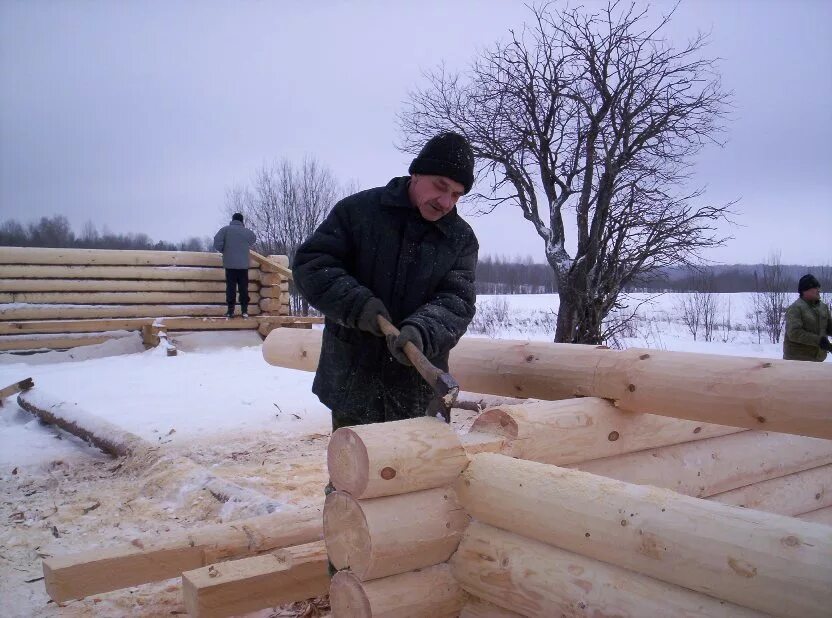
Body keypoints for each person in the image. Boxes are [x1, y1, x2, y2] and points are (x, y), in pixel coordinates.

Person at [293, 131, 479, 431]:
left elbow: (457, 301)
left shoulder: (460, 238)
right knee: (353, 468)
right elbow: (312, 265)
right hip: (353, 376)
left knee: (417, 471)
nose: (446, 202)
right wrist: (358, 306)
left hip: (417, 387)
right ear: (416, 174)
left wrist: (422, 330)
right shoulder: (358, 212)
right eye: (440, 186)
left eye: (456, 194)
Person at [213, 213, 256, 318]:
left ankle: (230, 311)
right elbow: (253, 240)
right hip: (243, 266)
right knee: (243, 288)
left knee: (231, 288)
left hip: (230, 265)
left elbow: (217, 243)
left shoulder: (224, 230)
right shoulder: (247, 232)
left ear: (232, 220)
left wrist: (224, 250)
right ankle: (244, 311)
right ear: (242, 221)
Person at [783, 273, 832, 362]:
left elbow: (828, 327)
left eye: (819, 287)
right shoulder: (795, 308)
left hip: (818, 359)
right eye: (815, 287)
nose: (818, 290)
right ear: (804, 291)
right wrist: (819, 341)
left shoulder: (823, 307)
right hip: (797, 361)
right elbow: (794, 333)